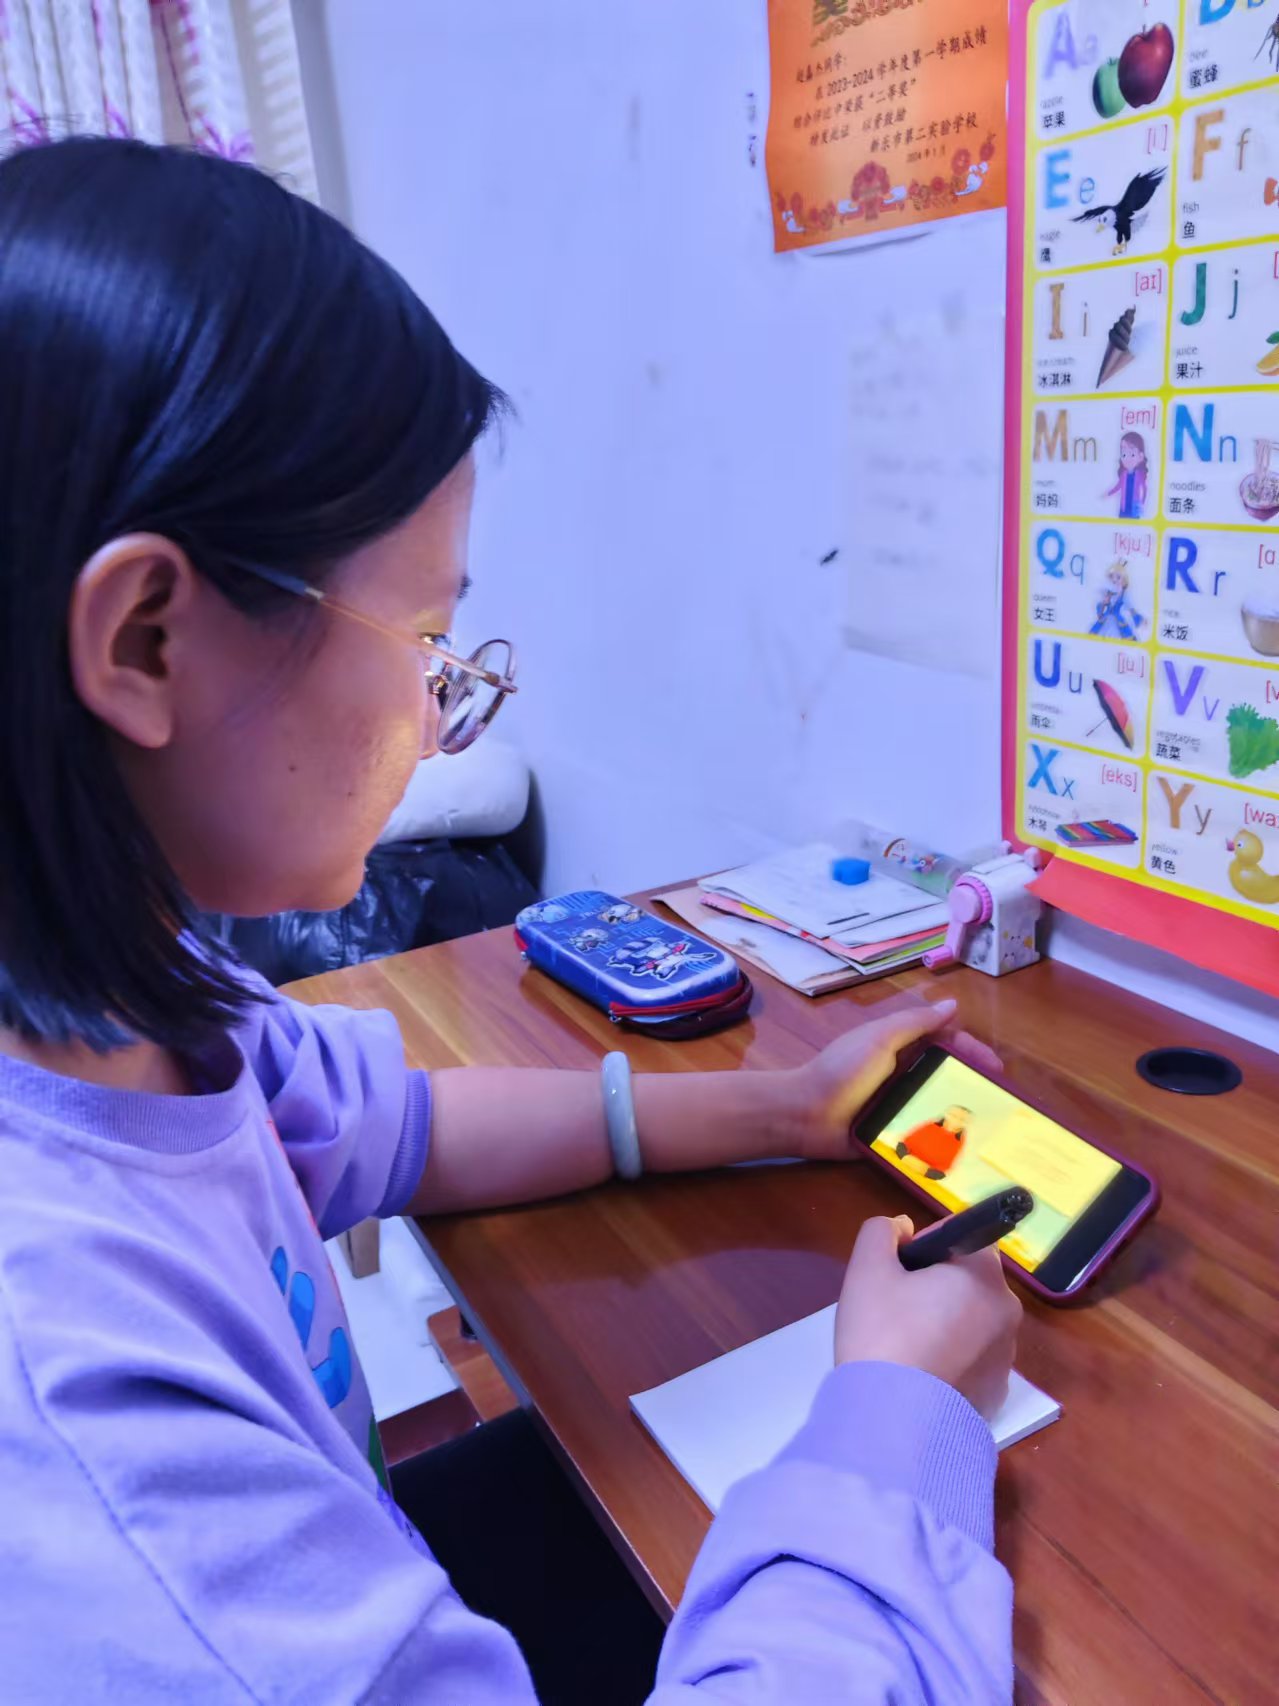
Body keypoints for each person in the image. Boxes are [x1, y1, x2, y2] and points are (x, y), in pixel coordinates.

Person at [0, 139, 1021, 1704]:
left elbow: (388, 1126)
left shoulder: (137, 995)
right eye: (422, 636)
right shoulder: (88, 1439)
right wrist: (900, 1419)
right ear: (144, 639)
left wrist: (777, 1108)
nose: (438, 710)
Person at [1105, 431, 1149, 520]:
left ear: (1140, 456)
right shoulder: (1124, 475)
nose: (1127, 458)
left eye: (1132, 454)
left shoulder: (1139, 475)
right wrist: (1108, 494)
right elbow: (1117, 487)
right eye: (1124, 454)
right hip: (1123, 509)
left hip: (1134, 509)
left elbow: (1144, 489)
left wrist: (1142, 503)